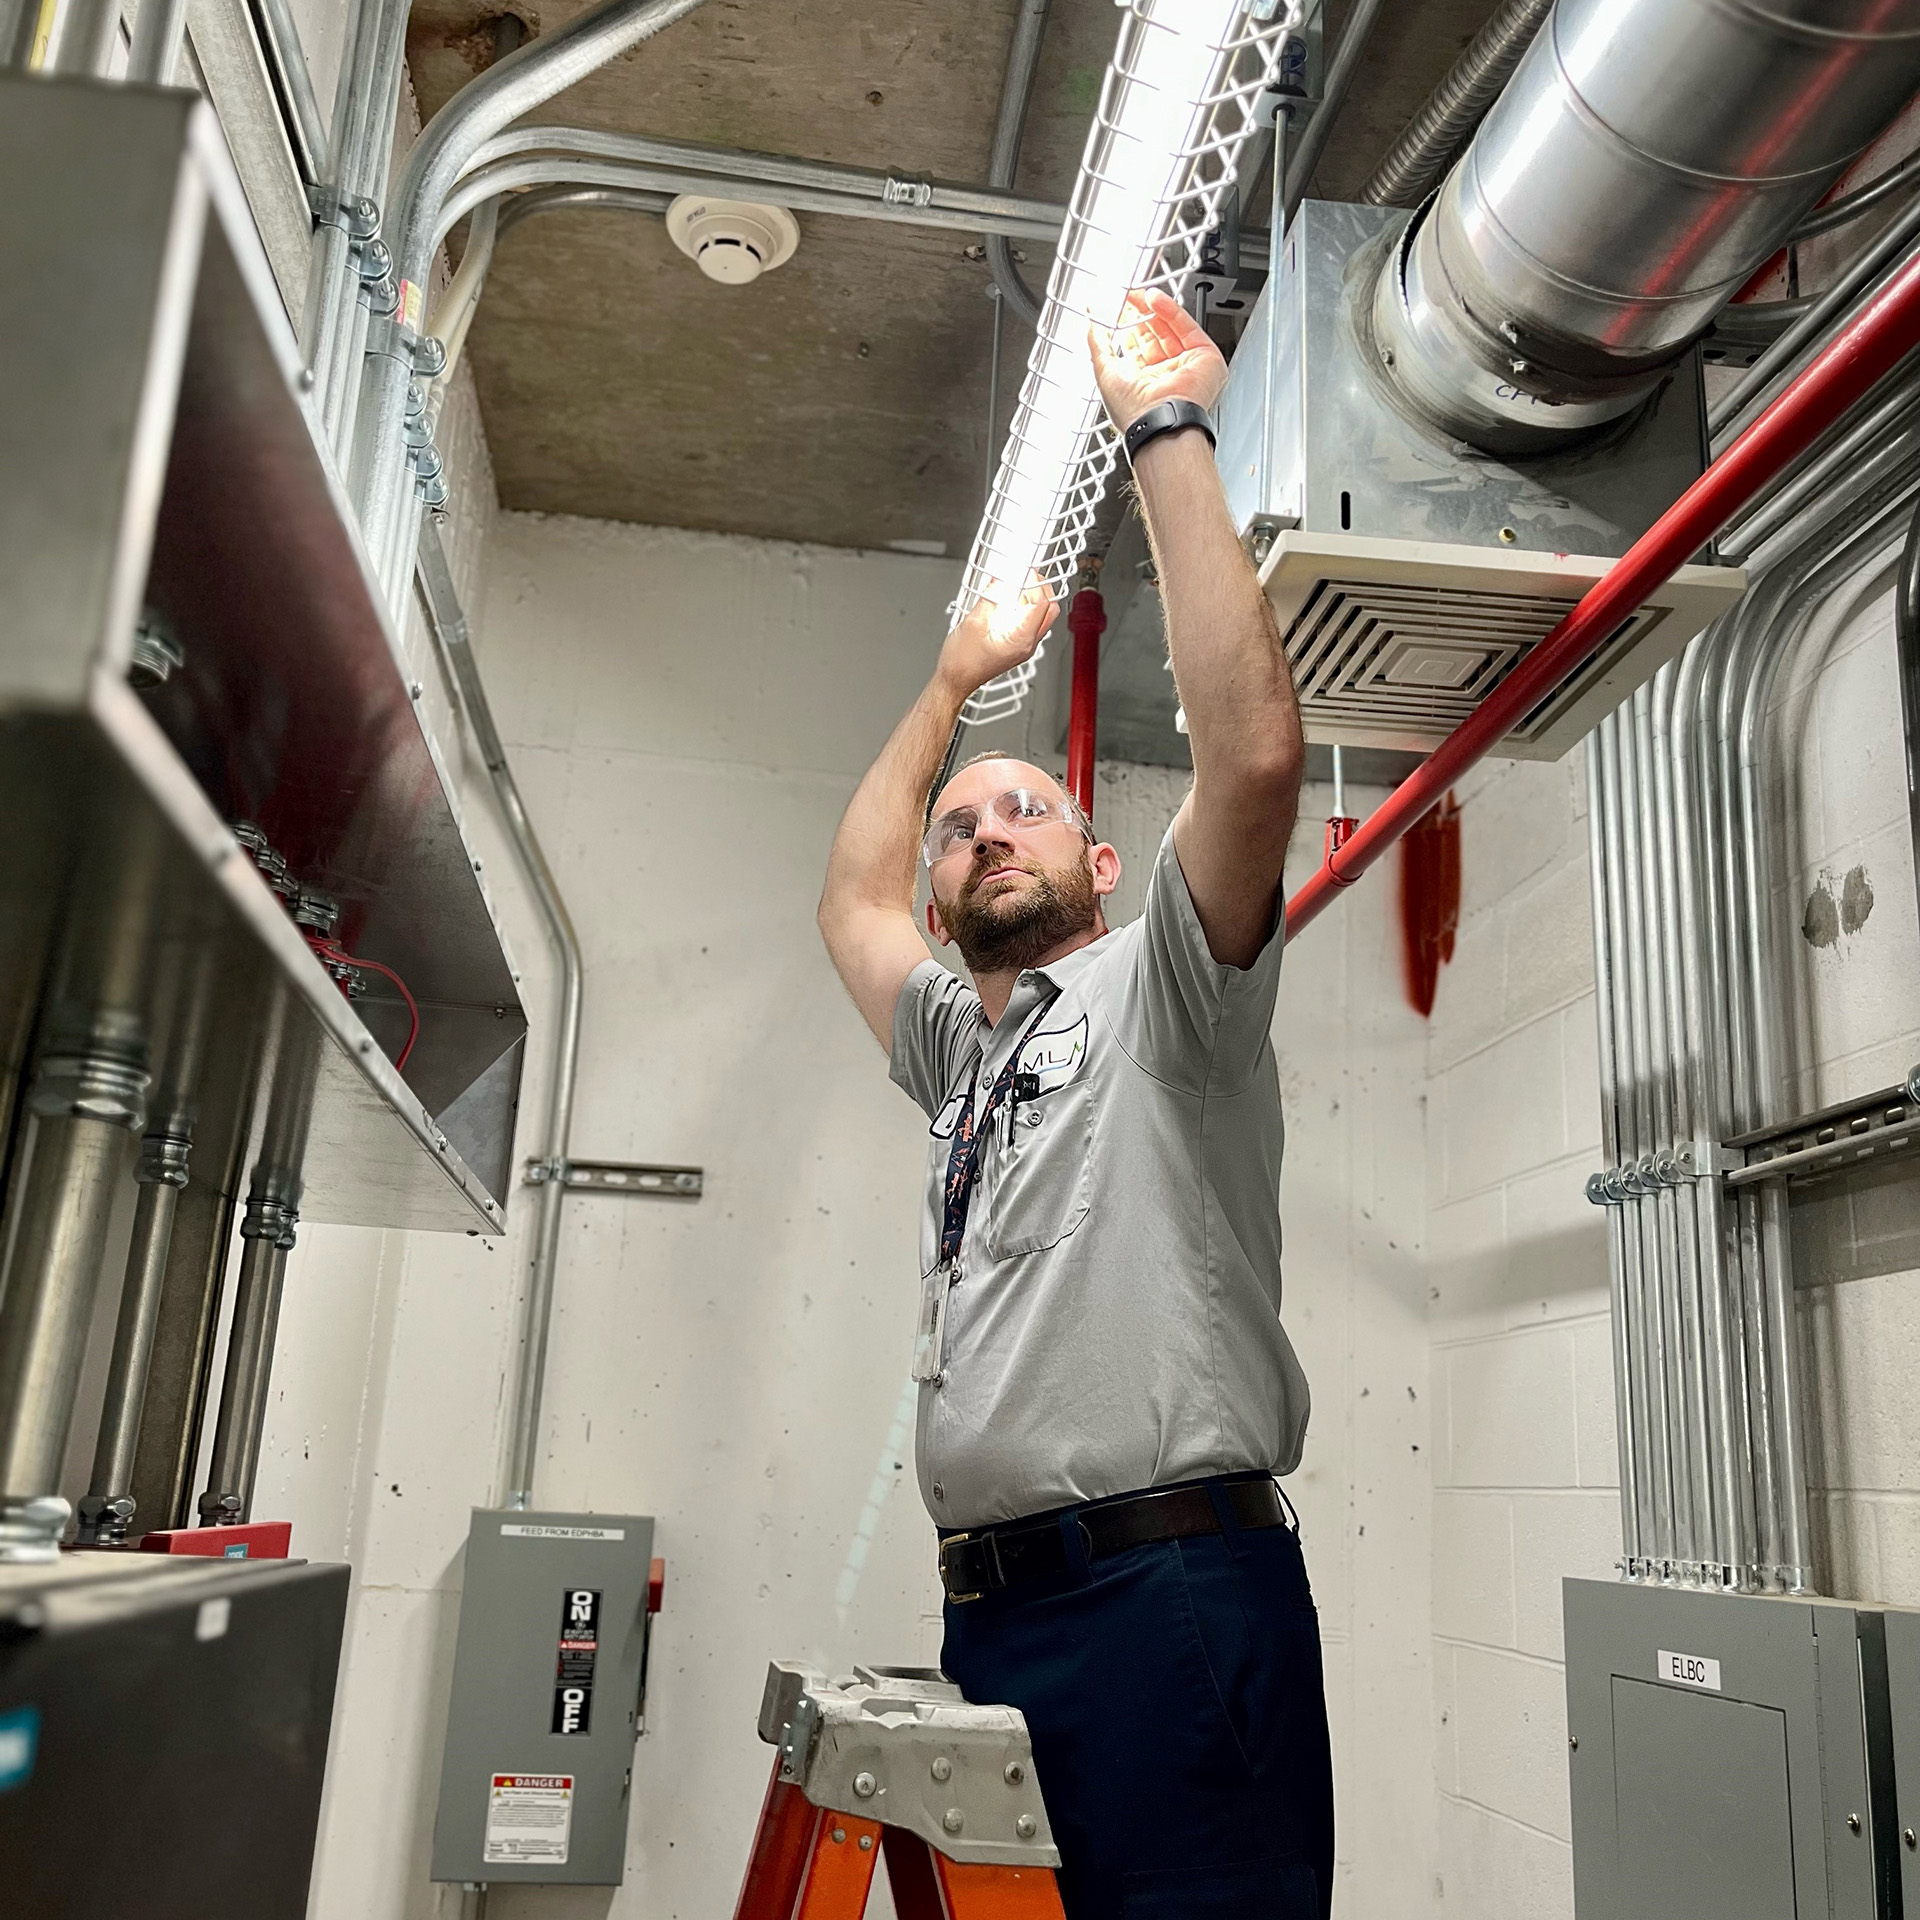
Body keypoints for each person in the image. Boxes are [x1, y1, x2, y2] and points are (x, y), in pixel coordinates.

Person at [816, 287, 1328, 1919]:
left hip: (1168, 1594)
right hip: (1001, 1613)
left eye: (1026, 809)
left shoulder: (1164, 988)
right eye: (962, 824)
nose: (981, 833)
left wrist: (1167, 426)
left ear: (1101, 867)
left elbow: (1252, 766)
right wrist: (955, 682)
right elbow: (848, 900)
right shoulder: (963, 1055)